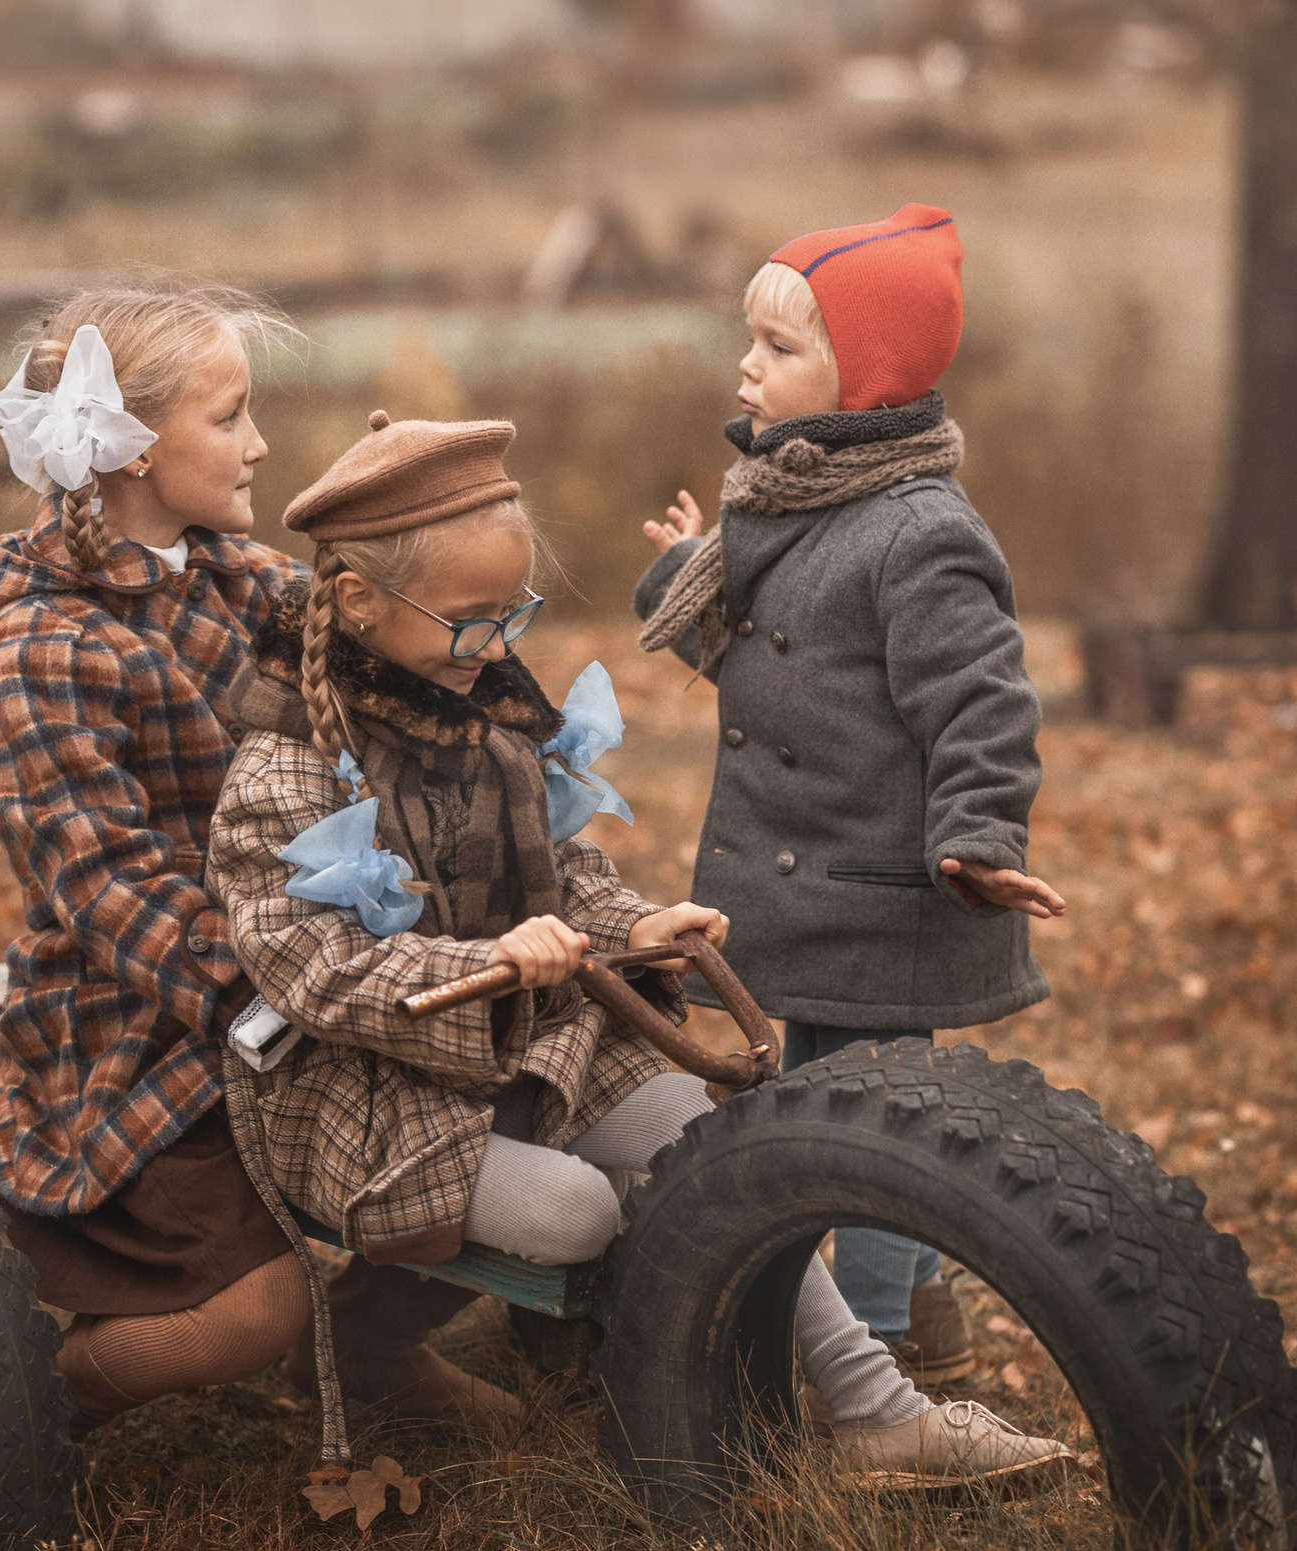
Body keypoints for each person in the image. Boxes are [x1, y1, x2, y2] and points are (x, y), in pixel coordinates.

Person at [210, 410, 1073, 1488]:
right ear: (356, 603)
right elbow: (311, 967)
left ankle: (873, 1409)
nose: (493, 649)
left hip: (526, 1047)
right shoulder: (282, 768)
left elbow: (565, 875)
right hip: (366, 1081)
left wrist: (631, 926)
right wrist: (478, 965)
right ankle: (372, 1338)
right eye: (467, 623)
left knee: (722, 1146)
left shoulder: (490, 722)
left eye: (508, 617)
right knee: (580, 1212)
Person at [633, 203, 1068, 1381]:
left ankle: (879, 1358)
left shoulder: (917, 531)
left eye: (778, 347)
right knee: (831, 1112)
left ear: (861, 377)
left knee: (875, 1134)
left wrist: (976, 834)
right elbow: (779, 668)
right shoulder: (790, 502)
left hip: (878, 893)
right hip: (803, 886)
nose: (748, 367)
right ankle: (919, 1319)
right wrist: (688, 577)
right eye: (752, 341)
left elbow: (981, 701)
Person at [0, 282, 319, 1440]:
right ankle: (32, 1398)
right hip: (143, 1011)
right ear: (134, 451)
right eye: (230, 417)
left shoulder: (244, 582)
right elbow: (106, 886)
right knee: (252, 1312)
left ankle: (372, 1357)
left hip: (315, 966)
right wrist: (281, 987)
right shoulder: (42, 642)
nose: (258, 443)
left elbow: (378, 665)